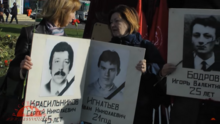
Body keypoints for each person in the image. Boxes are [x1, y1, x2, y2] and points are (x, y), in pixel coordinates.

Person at [108, 5, 176, 123]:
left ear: (129, 22)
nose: (112, 25)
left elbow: (161, 71)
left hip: (139, 109)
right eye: (111, 22)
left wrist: (147, 69)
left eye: (117, 21)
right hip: (112, 107)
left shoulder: (145, 46)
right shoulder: (107, 47)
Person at [7, 0, 81, 97]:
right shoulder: (30, 33)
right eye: (72, 11)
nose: (74, 17)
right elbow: (12, 71)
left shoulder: (70, 43)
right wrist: (22, 70)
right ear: (62, 11)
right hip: (31, 103)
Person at [170, 16, 220, 124]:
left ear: (217, 40)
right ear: (191, 38)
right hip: (183, 118)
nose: (201, 41)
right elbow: (166, 90)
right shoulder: (178, 61)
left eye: (207, 36)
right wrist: (163, 74)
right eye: (196, 35)